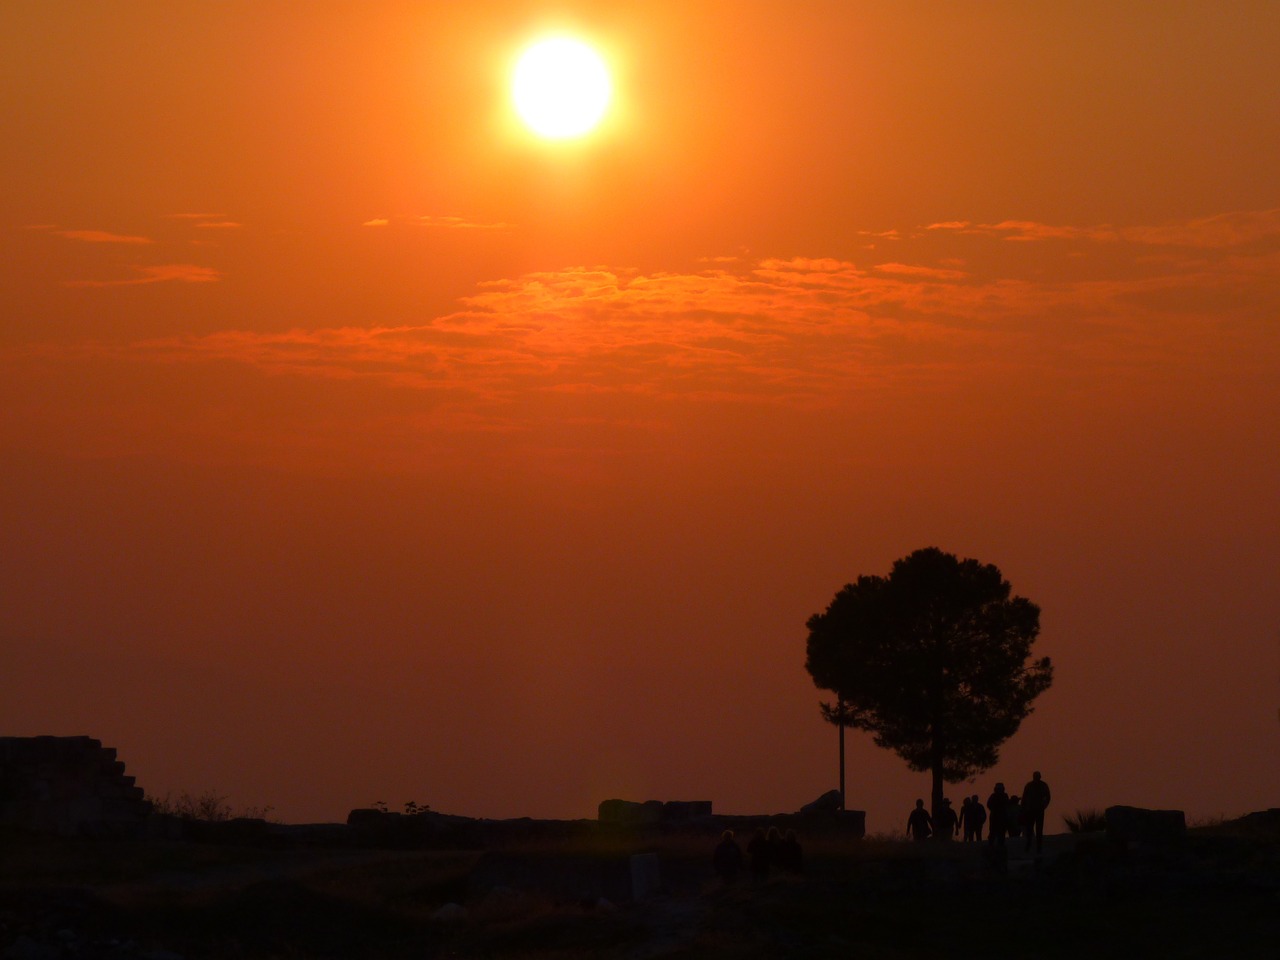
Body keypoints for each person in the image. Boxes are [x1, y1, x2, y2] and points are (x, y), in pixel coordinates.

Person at [1021, 770, 1052, 854]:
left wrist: (1044, 806)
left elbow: (1048, 797)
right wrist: (1024, 808)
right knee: (1029, 828)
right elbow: (1024, 797)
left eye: (1037, 776)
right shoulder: (1029, 785)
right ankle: (1029, 844)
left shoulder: (1043, 785)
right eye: (1035, 776)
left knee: (1039, 829)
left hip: (1039, 810)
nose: (1036, 778)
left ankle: (1038, 846)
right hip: (1030, 810)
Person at [986, 782, 1009, 847]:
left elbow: (1007, 804)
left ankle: (1000, 845)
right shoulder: (993, 796)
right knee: (993, 832)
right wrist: (994, 809)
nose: (999, 790)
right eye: (998, 788)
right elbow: (989, 804)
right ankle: (991, 845)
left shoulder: (1005, 795)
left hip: (1002, 817)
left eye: (1000, 788)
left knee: (1001, 832)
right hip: (995, 817)